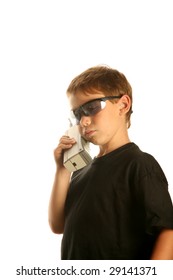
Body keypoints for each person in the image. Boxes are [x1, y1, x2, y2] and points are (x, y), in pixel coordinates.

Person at [48, 65, 173, 260]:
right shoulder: (80, 173)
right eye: (78, 114)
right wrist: (63, 170)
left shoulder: (139, 164)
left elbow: (168, 232)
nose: (84, 121)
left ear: (123, 105)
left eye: (91, 108)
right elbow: (58, 226)